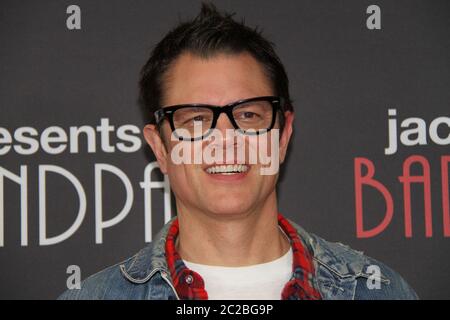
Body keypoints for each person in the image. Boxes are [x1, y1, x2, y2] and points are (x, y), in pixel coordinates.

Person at [59, 2, 417, 300]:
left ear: (282, 135)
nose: (226, 139)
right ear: (160, 148)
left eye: (247, 115)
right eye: (197, 119)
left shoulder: (377, 291)